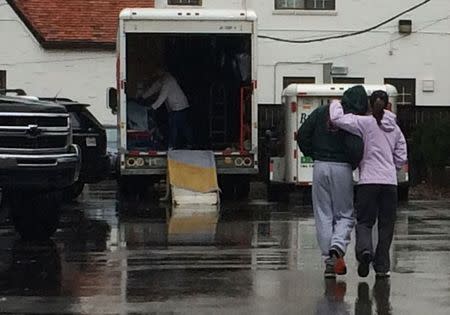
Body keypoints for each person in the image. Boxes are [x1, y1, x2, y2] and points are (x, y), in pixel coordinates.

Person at [329, 90, 408, 278]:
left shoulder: (365, 123)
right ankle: (382, 266)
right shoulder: (396, 129)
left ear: (370, 105)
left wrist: (335, 103)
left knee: (365, 221)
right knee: (386, 225)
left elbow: (337, 119)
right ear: (388, 105)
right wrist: (391, 167)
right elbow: (402, 155)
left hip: (368, 182)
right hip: (389, 183)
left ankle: (365, 251)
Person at [297, 85, 368, 278]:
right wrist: (353, 164)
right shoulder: (354, 120)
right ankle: (337, 246)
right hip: (342, 167)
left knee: (323, 213)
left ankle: (329, 260)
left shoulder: (321, 112)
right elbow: (356, 147)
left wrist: (312, 153)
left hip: (320, 165)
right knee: (345, 213)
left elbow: (302, 134)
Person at [141, 70, 193, 150]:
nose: (154, 76)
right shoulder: (163, 79)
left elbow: (162, 96)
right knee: (181, 126)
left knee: (175, 126)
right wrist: (143, 97)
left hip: (179, 107)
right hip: (175, 107)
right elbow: (154, 88)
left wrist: (153, 107)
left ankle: (173, 146)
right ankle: (188, 143)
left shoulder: (168, 81)